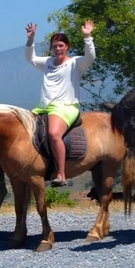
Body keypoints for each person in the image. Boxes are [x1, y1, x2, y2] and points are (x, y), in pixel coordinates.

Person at [25, 19, 96, 187]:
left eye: (61, 46)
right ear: (51, 48)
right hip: (43, 106)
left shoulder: (76, 63)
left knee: (54, 134)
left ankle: (61, 174)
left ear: (67, 47)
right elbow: (31, 58)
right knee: (23, 129)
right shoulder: (48, 63)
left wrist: (87, 37)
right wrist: (30, 40)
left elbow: (90, 57)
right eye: (55, 46)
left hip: (66, 106)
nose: (57, 49)